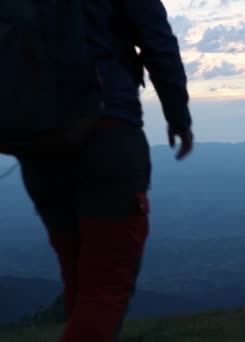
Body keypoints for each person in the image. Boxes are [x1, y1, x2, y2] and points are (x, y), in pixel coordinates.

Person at [17, 0, 194, 341]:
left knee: (79, 278)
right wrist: (178, 117)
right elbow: (157, 41)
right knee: (105, 287)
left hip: (39, 145)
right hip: (107, 134)